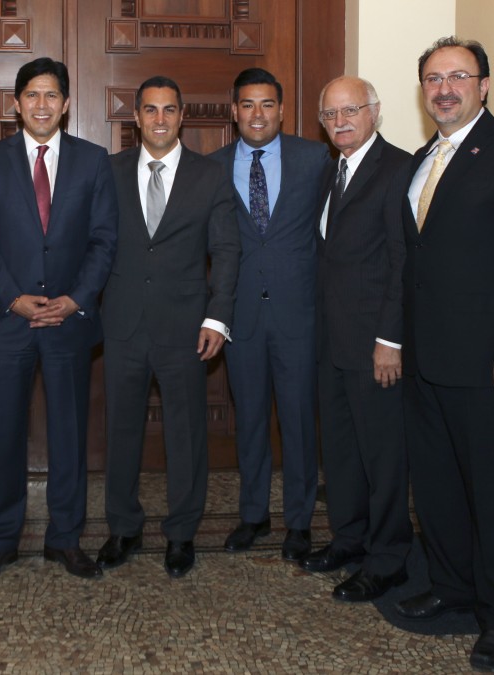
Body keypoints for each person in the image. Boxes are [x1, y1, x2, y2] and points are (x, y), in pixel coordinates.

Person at [394, 37, 494, 671]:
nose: (444, 88)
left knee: (493, 495)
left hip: (489, 363)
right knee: (436, 488)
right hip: (426, 360)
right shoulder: (421, 159)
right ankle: (451, 586)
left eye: (458, 76)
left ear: (483, 85)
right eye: (433, 78)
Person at [0, 57, 118, 585]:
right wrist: (14, 298)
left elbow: (103, 241)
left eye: (52, 95)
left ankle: (65, 539)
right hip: (8, 321)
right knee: (4, 433)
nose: (42, 104)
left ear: (67, 103)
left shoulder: (94, 161)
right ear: (16, 103)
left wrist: (76, 299)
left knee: (69, 434)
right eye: (32, 95)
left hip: (69, 322)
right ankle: (0, 540)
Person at [97, 76, 239, 578]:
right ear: (136, 117)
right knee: (121, 431)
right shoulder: (107, 171)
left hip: (186, 327)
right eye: (150, 110)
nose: (160, 119)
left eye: (169, 110)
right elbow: (93, 243)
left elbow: (226, 250)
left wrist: (218, 316)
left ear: (182, 117)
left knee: (186, 434)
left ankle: (182, 533)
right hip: (122, 324)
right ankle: (123, 528)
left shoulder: (210, 176)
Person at [209, 68, 331, 562]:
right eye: (247, 105)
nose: (257, 114)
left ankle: (299, 521)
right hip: (240, 316)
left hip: (299, 314)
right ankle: (253, 514)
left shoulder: (316, 159)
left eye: (267, 105)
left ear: (281, 110)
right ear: (233, 111)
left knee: (300, 421)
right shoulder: (211, 167)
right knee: (251, 419)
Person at [301, 76, 412, 601]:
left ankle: (389, 558)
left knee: (382, 456)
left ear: (375, 112)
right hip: (331, 341)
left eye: (351, 111)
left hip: (375, 347)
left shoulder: (398, 169)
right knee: (341, 451)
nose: (340, 122)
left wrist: (390, 338)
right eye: (330, 115)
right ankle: (349, 539)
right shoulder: (330, 170)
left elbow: (402, 262)